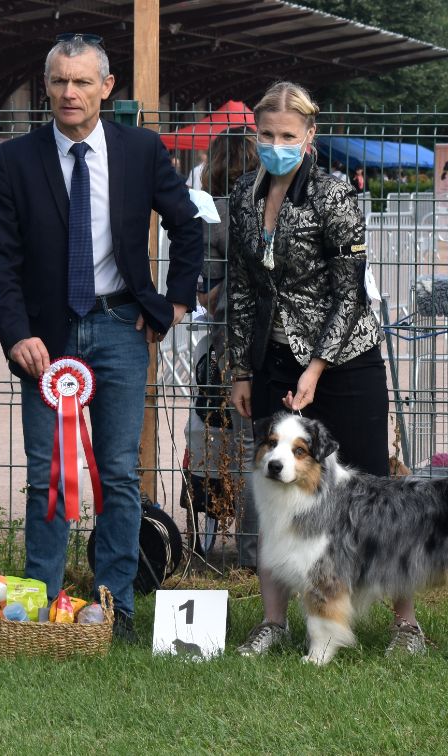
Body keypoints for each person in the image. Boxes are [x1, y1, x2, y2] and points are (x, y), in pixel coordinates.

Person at [0, 33, 203, 642]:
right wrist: (15, 334)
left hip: (120, 327)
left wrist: (174, 303)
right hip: (45, 344)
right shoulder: (14, 162)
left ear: (107, 87)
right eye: (58, 81)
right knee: (47, 472)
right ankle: (39, 610)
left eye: (82, 81)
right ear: (45, 86)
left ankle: (116, 607)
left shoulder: (141, 151)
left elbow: (188, 227)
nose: (69, 92)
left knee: (119, 473)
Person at [227, 81, 425, 657]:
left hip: (344, 363)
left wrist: (317, 366)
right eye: (266, 134)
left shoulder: (334, 195)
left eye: (288, 135)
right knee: (273, 492)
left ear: (309, 137)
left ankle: (406, 624)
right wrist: (241, 366)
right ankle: (273, 621)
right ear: (254, 133)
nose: (276, 144)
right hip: (272, 358)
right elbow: (243, 286)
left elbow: (349, 293)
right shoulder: (242, 194)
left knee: (376, 495)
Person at [183, 126, 259, 569]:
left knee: (212, 438)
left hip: (224, 345)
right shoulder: (268, 205)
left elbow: (203, 284)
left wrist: (213, 293)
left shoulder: (210, 213)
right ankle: (256, 551)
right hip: (265, 343)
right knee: (257, 444)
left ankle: (210, 537)